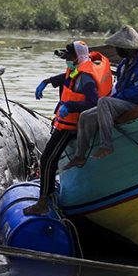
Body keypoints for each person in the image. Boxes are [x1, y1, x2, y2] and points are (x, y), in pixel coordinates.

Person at [23, 41, 112, 215]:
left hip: (72, 126)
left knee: (48, 159)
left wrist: (70, 106)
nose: (67, 60)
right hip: (66, 122)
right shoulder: (78, 68)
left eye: (70, 57)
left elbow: (93, 103)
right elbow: (66, 78)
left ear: (77, 57)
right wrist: (47, 81)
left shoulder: (86, 77)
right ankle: (46, 195)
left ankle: (43, 203)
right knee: (48, 158)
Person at [63, 26, 138, 170]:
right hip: (123, 102)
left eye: (119, 47)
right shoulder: (124, 64)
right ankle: (80, 155)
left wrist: (115, 98)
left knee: (104, 101)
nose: (117, 50)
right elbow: (119, 87)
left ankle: (106, 145)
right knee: (86, 116)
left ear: (129, 48)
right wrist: (115, 98)